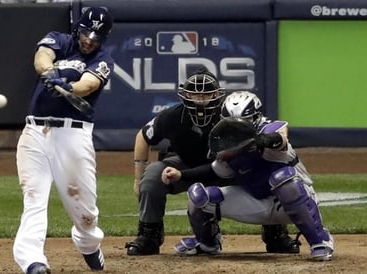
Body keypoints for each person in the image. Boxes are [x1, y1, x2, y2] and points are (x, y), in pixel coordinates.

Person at [125, 71, 299, 256]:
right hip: (186, 164)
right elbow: (143, 137)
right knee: (152, 176)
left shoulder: (228, 112)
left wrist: (278, 138)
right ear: (186, 95)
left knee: (264, 169)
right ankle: (149, 235)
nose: (201, 100)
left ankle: (276, 234)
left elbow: (273, 126)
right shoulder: (172, 116)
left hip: (229, 167)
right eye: (195, 94)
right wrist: (138, 178)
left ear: (217, 95)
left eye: (207, 94)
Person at [163, 91, 334, 261]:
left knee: (283, 178)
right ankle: (207, 243)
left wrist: (261, 141)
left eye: (242, 123)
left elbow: (280, 139)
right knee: (198, 195)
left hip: (295, 201)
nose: (236, 129)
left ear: (256, 118)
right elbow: (213, 171)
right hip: (256, 202)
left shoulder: (270, 130)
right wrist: (181, 174)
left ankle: (320, 240)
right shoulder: (227, 145)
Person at [12, 7, 114, 274]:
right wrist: (49, 73)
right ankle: (32, 261)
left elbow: (88, 85)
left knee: (85, 213)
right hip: (35, 132)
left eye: (96, 36)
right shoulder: (60, 40)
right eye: (86, 33)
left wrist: (67, 86)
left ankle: (89, 244)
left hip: (73, 136)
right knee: (34, 197)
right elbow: (42, 57)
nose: (89, 40)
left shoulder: (103, 60)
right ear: (77, 28)